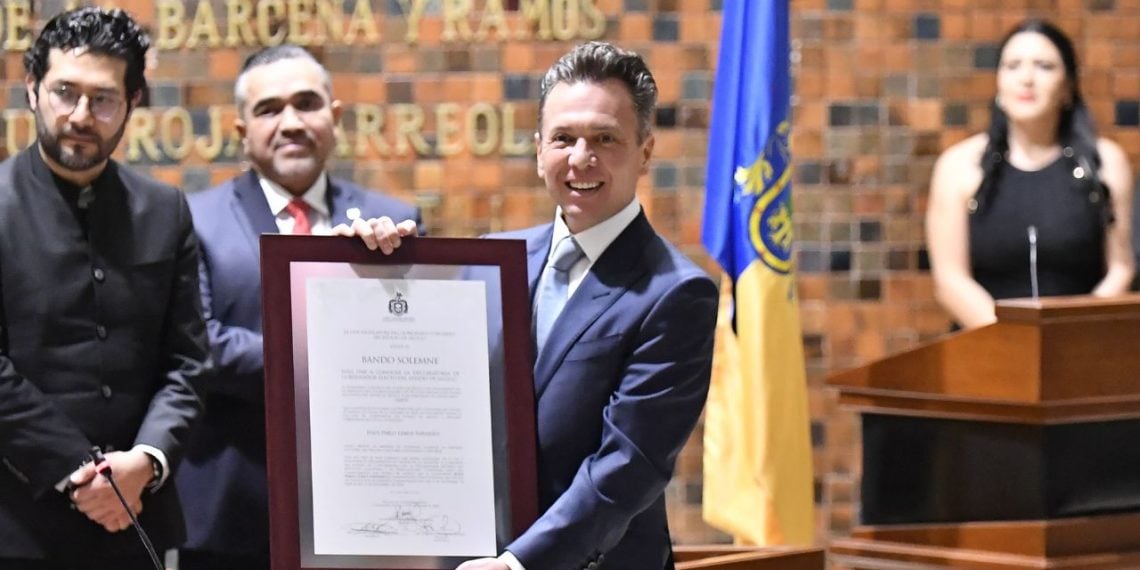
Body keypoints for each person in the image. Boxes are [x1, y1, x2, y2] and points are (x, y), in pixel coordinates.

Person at [350, 41, 717, 570]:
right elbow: (421, 383)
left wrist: (519, 563)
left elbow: (627, 465)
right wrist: (365, 276)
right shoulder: (493, 260)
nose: (580, 158)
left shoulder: (676, 292)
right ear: (538, 148)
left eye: (605, 138)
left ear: (645, 151)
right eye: (563, 138)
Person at [175, 45, 420, 570]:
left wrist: (383, 277)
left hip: (366, 509)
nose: (290, 123)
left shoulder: (393, 223)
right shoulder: (193, 221)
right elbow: (199, 343)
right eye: (268, 109)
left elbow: (417, 344)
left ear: (334, 117)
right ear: (240, 130)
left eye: (306, 104)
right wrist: (326, 358)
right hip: (234, 509)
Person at [0, 7, 209, 569]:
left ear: (133, 102)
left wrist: (147, 460)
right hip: (16, 523)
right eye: (64, 92)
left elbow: (188, 360)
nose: (80, 116)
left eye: (103, 98)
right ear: (31, 90)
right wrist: (77, 472)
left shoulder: (165, 210)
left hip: (138, 519)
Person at [926, 19, 1134, 329]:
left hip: (1079, 350)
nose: (1026, 78)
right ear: (998, 82)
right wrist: (1015, 343)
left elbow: (1121, 268)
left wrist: (1070, 337)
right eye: (1012, 66)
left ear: (1068, 87)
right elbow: (950, 280)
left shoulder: (1105, 162)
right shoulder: (958, 166)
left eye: (1044, 66)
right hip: (986, 352)